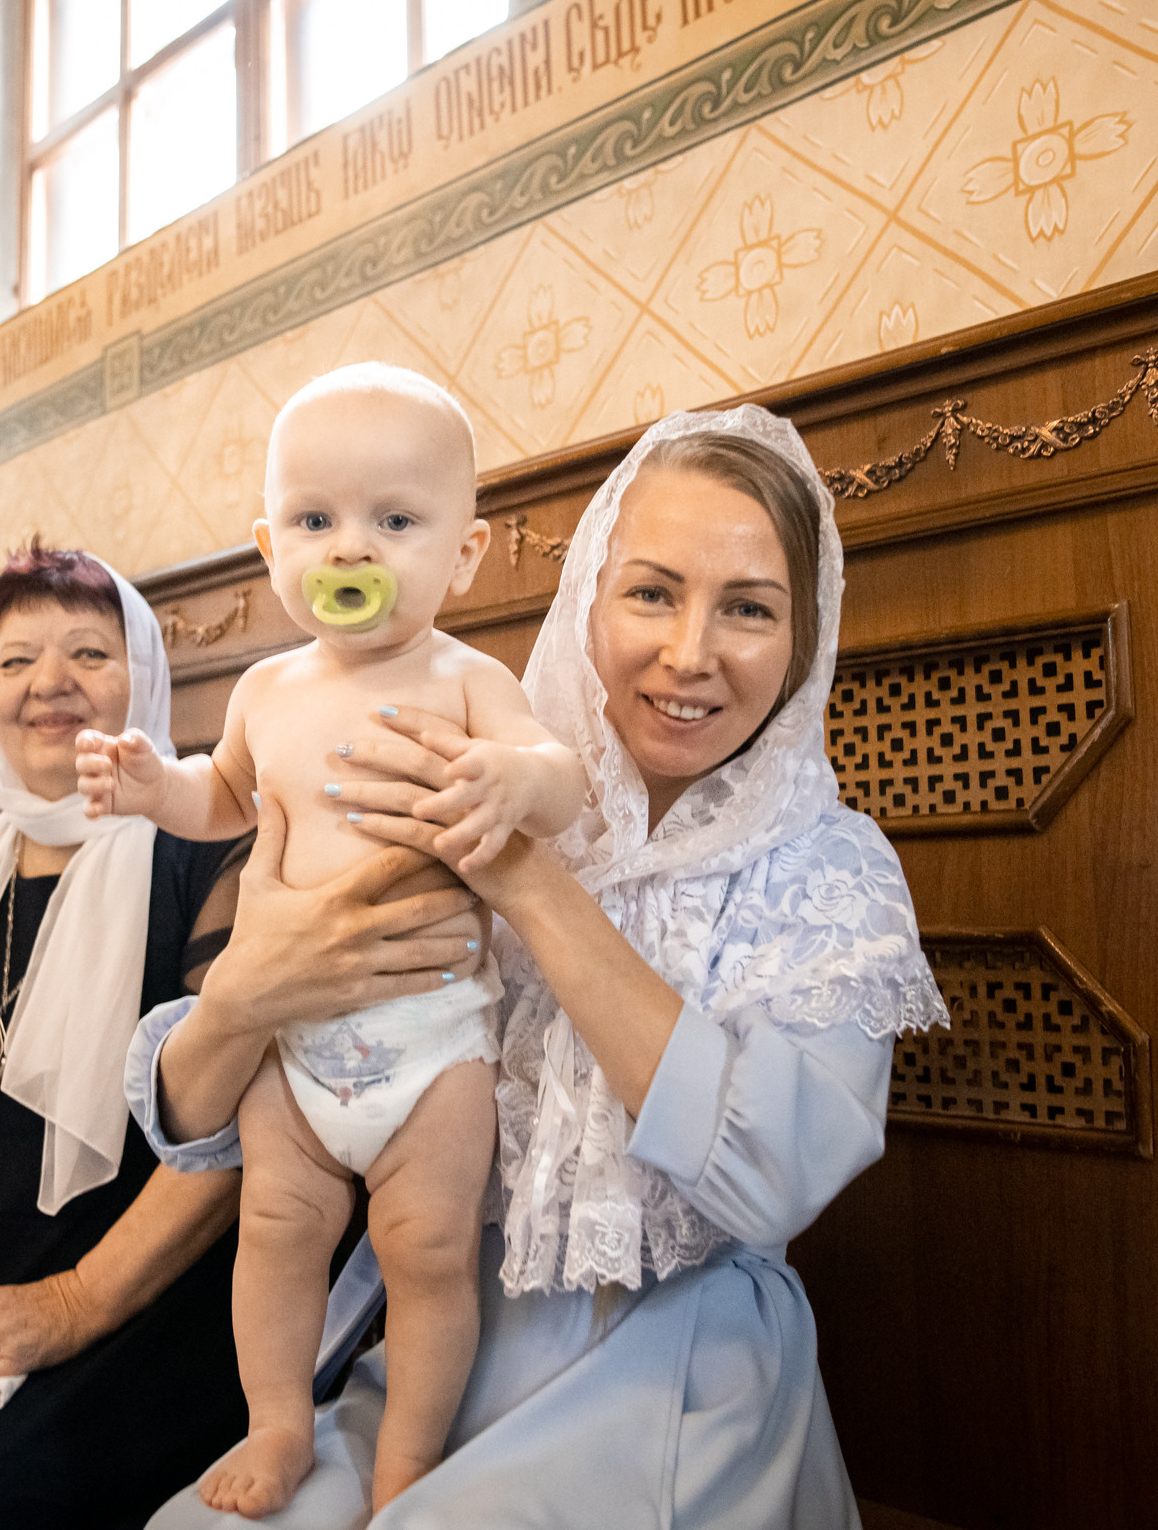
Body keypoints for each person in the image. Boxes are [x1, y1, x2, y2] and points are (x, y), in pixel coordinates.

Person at [132, 405, 950, 1527]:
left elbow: (772, 1173)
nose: (690, 652)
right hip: (443, 1344)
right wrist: (246, 989)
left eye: (749, 608)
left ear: (805, 637)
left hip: (676, 1371)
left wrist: (528, 878)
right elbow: (196, 1119)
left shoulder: (828, 870)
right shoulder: (441, 756)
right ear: (588, 601)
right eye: (652, 591)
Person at [0, 546, 480, 1530]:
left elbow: (248, 1119)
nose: (49, 683)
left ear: (143, 677)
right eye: (14, 661)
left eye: (88, 653)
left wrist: (72, 1302)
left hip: (132, 1308)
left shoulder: (207, 849)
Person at [76, 364, 585, 1517]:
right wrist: (159, 784)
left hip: (432, 1036)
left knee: (428, 1250)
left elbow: (565, 783)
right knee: (274, 1229)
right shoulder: (265, 690)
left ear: (462, 552)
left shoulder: (468, 679)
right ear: (271, 546)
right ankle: (280, 1424)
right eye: (315, 520)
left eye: (395, 522)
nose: (350, 550)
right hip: (292, 1046)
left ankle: (405, 1456)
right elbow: (227, 800)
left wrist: (513, 777)